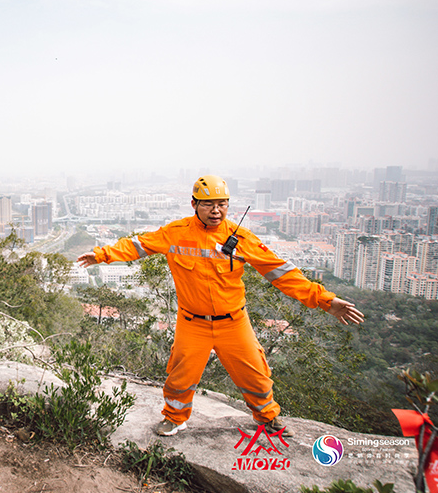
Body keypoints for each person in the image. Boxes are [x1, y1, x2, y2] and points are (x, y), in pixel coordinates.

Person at [77, 175, 364, 437]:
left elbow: (281, 272)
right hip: (193, 323)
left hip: (233, 322)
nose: (216, 211)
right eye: (209, 205)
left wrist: (326, 301)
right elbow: (137, 245)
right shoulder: (176, 233)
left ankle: (267, 417)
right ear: (194, 204)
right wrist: (101, 255)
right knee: (181, 375)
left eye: (222, 204)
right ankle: (175, 417)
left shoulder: (241, 239)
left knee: (255, 373)